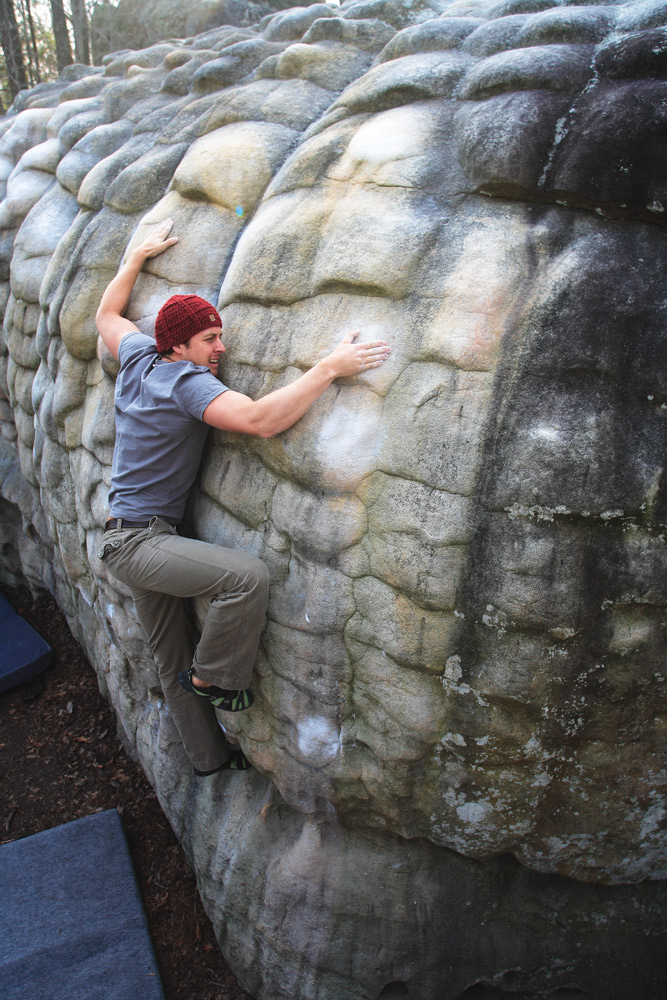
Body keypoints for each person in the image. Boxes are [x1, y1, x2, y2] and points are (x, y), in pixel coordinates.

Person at [95, 219, 391, 776]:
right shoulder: (187, 382)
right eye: (210, 339)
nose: (221, 347)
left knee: (169, 659)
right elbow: (260, 420)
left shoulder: (138, 355)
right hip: (140, 543)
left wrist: (133, 258)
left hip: (125, 535)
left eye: (219, 336)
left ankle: (208, 760)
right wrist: (330, 367)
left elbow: (107, 316)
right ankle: (216, 678)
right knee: (245, 577)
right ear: (179, 345)